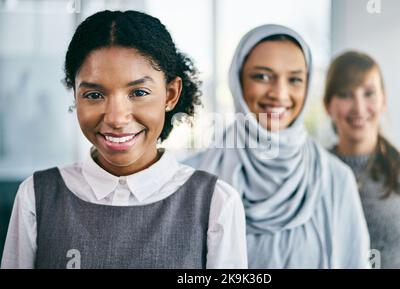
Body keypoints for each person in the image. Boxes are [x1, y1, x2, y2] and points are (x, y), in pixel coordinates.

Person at [1, 10, 247, 269]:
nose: (117, 118)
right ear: (75, 95)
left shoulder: (215, 203)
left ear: (170, 95)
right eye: (94, 95)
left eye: (139, 92)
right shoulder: (37, 197)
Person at [184, 24, 370, 268]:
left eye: (294, 80)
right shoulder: (191, 179)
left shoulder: (335, 179)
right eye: (262, 76)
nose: (279, 94)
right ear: (238, 82)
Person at [324, 50, 400, 268]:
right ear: (328, 105)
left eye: (369, 93)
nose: (359, 107)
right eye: (345, 94)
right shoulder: (314, 172)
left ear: (384, 100)